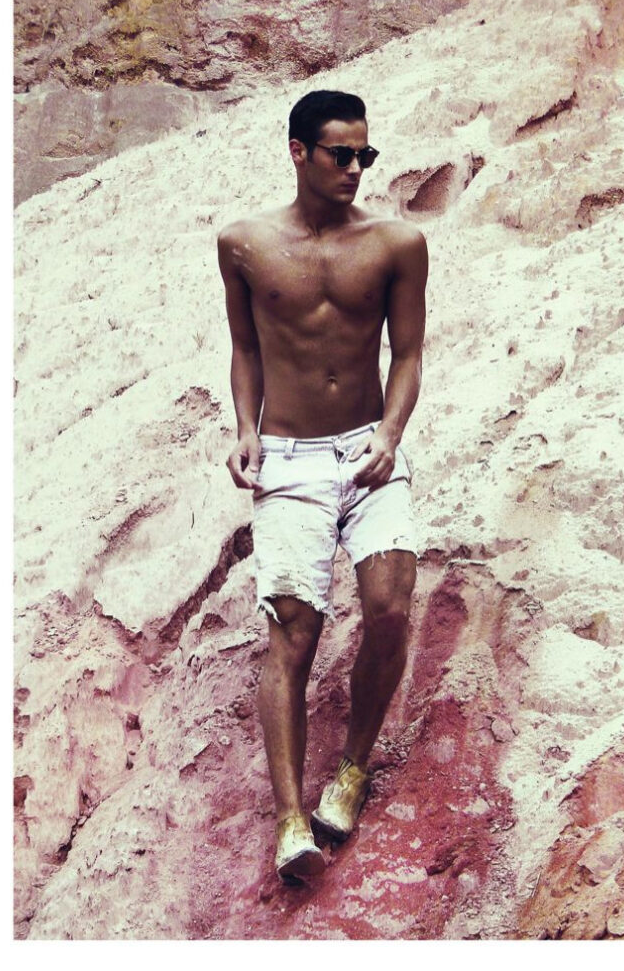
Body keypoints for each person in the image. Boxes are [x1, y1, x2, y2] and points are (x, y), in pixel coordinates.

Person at [217, 90, 428, 883]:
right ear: (298, 151)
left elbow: (407, 353)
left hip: (368, 448)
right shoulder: (243, 244)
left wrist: (390, 435)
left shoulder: (396, 243)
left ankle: (352, 769)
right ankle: (288, 822)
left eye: (363, 155)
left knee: (390, 606)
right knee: (293, 630)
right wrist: (244, 430)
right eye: (341, 153)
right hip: (289, 455)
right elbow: (246, 348)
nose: (355, 169)